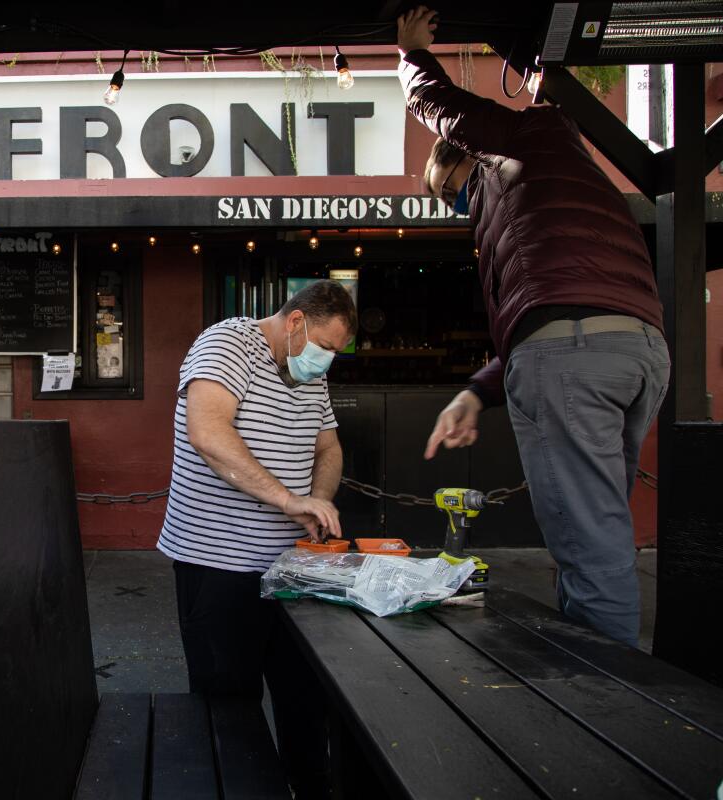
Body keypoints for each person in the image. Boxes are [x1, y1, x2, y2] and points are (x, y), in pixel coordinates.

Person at [397, 6, 669, 647]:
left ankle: (607, 699)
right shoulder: (560, 175)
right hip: (636, 350)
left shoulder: (519, 144)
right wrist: (477, 390)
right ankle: (598, 653)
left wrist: (410, 58)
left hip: (576, 356)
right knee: (596, 525)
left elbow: (447, 109)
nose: (459, 207)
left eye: (453, 190)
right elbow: (545, 323)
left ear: (472, 158)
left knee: (589, 537)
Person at [157, 279, 356, 797]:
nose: (328, 362)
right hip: (218, 567)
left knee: (306, 704)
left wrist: (318, 499)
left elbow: (328, 448)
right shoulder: (226, 344)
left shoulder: (306, 373)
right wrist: (288, 500)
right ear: (295, 324)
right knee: (227, 713)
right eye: (326, 348)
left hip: (291, 572)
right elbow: (208, 433)